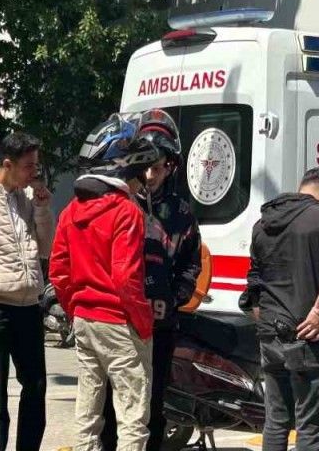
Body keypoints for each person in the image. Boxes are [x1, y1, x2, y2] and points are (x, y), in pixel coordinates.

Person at [49, 112, 159, 451]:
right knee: (132, 417)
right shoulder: (126, 211)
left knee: (87, 411)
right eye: (138, 175)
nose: (141, 182)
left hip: (84, 319)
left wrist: (75, 309)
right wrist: (144, 321)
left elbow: (58, 272)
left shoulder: (70, 211)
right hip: (119, 321)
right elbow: (126, 277)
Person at [101, 112, 202, 451]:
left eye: (157, 168)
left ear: (170, 167)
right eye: (144, 167)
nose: (149, 175)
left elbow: (191, 261)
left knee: (153, 406)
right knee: (110, 407)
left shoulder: (181, 212)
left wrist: (175, 296)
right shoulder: (117, 203)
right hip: (118, 323)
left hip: (160, 325)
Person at [239, 167, 319, 451]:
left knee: (276, 421)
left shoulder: (263, 221)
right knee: (310, 427)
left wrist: (264, 317)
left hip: (269, 334)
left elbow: (254, 279)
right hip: (308, 334)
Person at [0, 132, 55, 451]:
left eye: (36, 165)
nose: (34, 173)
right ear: (7, 165)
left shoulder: (27, 199)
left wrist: (42, 208)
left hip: (29, 304)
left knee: (35, 386)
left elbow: (46, 249)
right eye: (28, 166)